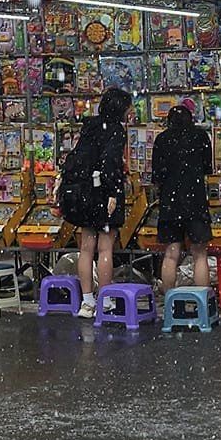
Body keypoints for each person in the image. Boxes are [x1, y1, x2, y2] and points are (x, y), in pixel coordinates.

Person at [60, 88, 132, 319]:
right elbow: (110, 162)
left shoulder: (90, 126)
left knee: (86, 248)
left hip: (85, 193)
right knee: (105, 248)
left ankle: (87, 301)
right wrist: (113, 191)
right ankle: (106, 299)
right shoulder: (115, 130)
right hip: (103, 193)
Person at [151, 101, 213, 296]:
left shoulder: (162, 139)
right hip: (196, 201)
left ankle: (169, 300)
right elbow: (207, 168)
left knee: (171, 253)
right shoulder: (200, 136)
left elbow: (157, 176)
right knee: (199, 254)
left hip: (170, 202)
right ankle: (202, 300)